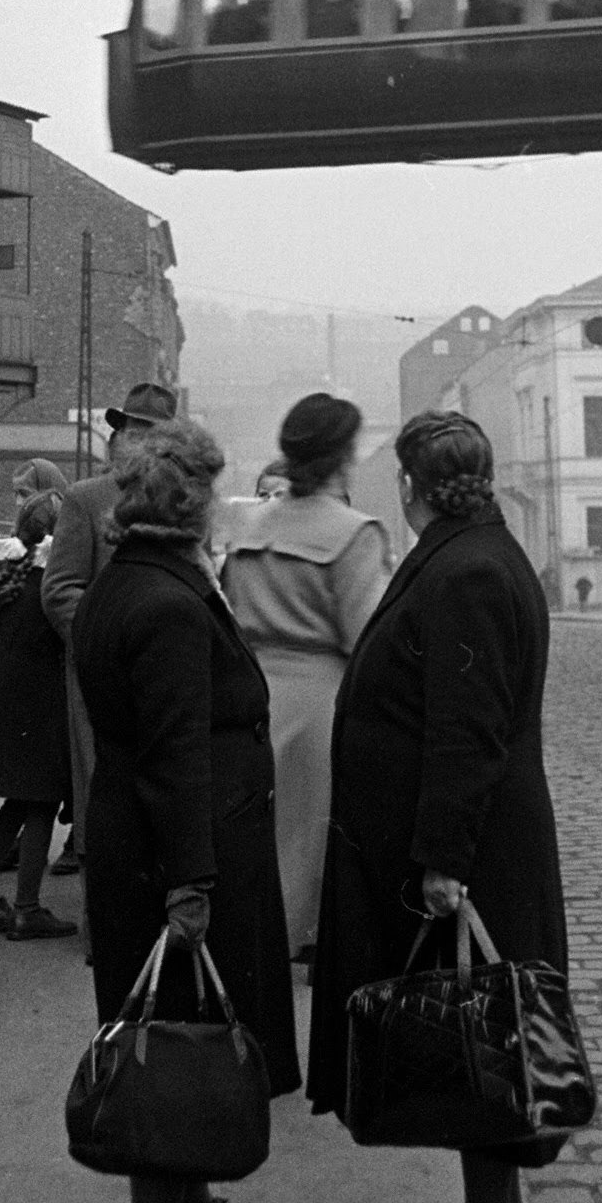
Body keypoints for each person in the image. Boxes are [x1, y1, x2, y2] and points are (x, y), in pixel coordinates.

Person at [307, 410, 569, 1203]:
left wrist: (443, 862)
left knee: (481, 1054)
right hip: (477, 844)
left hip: (475, 854)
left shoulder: (466, 571)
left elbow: (467, 729)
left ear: (413, 486)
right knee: (479, 1049)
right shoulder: (474, 554)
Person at [73, 418, 301, 1203]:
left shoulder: (129, 582)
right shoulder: (167, 603)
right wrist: (190, 884)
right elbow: (176, 753)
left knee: (184, 1034)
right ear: (190, 504)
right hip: (178, 851)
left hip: (149, 841)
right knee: (172, 1049)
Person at [222, 394, 390, 959]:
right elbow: (366, 639)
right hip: (322, 701)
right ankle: (308, 943)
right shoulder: (355, 532)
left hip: (251, 694)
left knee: (256, 836)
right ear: (344, 455)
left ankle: (254, 945)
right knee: (312, 837)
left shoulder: (249, 524)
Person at [41, 382, 179, 874]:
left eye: (153, 434)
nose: (140, 443)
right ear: (118, 436)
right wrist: (108, 641)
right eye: (132, 431)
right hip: (104, 675)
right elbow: (59, 589)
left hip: (165, 672)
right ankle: (99, 910)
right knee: (104, 801)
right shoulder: (87, 498)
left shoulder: (179, 501)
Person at [0, 488, 77, 942]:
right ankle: (26, 908)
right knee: (41, 800)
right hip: (37, 703)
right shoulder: (51, 581)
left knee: (19, 802)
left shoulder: (0, 571)